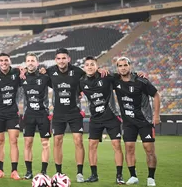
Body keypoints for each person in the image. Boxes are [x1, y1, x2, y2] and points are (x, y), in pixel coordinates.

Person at [114, 57, 160, 187]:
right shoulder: (115, 80)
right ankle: (133, 176)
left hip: (144, 121)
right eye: (120, 66)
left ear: (130, 66)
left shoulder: (141, 81)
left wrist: (156, 115)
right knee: (129, 148)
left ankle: (151, 178)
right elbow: (101, 76)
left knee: (149, 149)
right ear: (117, 68)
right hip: (128, 122)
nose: (123, 68)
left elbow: (156, 95)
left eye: (125, 65)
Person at [79, 56, 125, 184]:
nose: (89, 66)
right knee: (92, 146)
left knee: (116, 146)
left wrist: (138, 74)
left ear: (97, 66)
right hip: (95, 119)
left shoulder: (107, 77)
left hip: (111, 117)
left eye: (92, 64)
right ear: (84, 67)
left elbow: (124, 74)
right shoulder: (81, 81)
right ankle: (94, 175)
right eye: (87, 64)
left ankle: (119, 175)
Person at [45, 48, 87, 182]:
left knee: (78, 141)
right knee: (57, 141)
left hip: (74, 112)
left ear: (69, 59)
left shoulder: (78, 72)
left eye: (64, 58)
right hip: (58, 113)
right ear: (55, 60)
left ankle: (79, 173)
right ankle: (58, 173)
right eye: (59, 58)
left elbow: (91, 78)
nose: (61, 61)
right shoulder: (50, 71)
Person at [0, 53, 21, 180]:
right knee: (0, 141)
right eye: (1, 60)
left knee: (14, 141)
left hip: (13, 113)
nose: (4, 62)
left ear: (10, 61)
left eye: (6, 60)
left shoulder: (16, 73)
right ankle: (0, 170)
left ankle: (14, 170)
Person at [21, 53, 51, 179]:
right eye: (28, 61)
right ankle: (29, 172)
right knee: (27, 143)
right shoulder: (21, 77)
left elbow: (61, 81)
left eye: (33, 60)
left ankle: (44, 172)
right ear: (26, 63)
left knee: (45, 144)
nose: (30, 63)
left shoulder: (44, 76)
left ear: (37, 63)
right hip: (29, 115)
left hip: (43, 114)